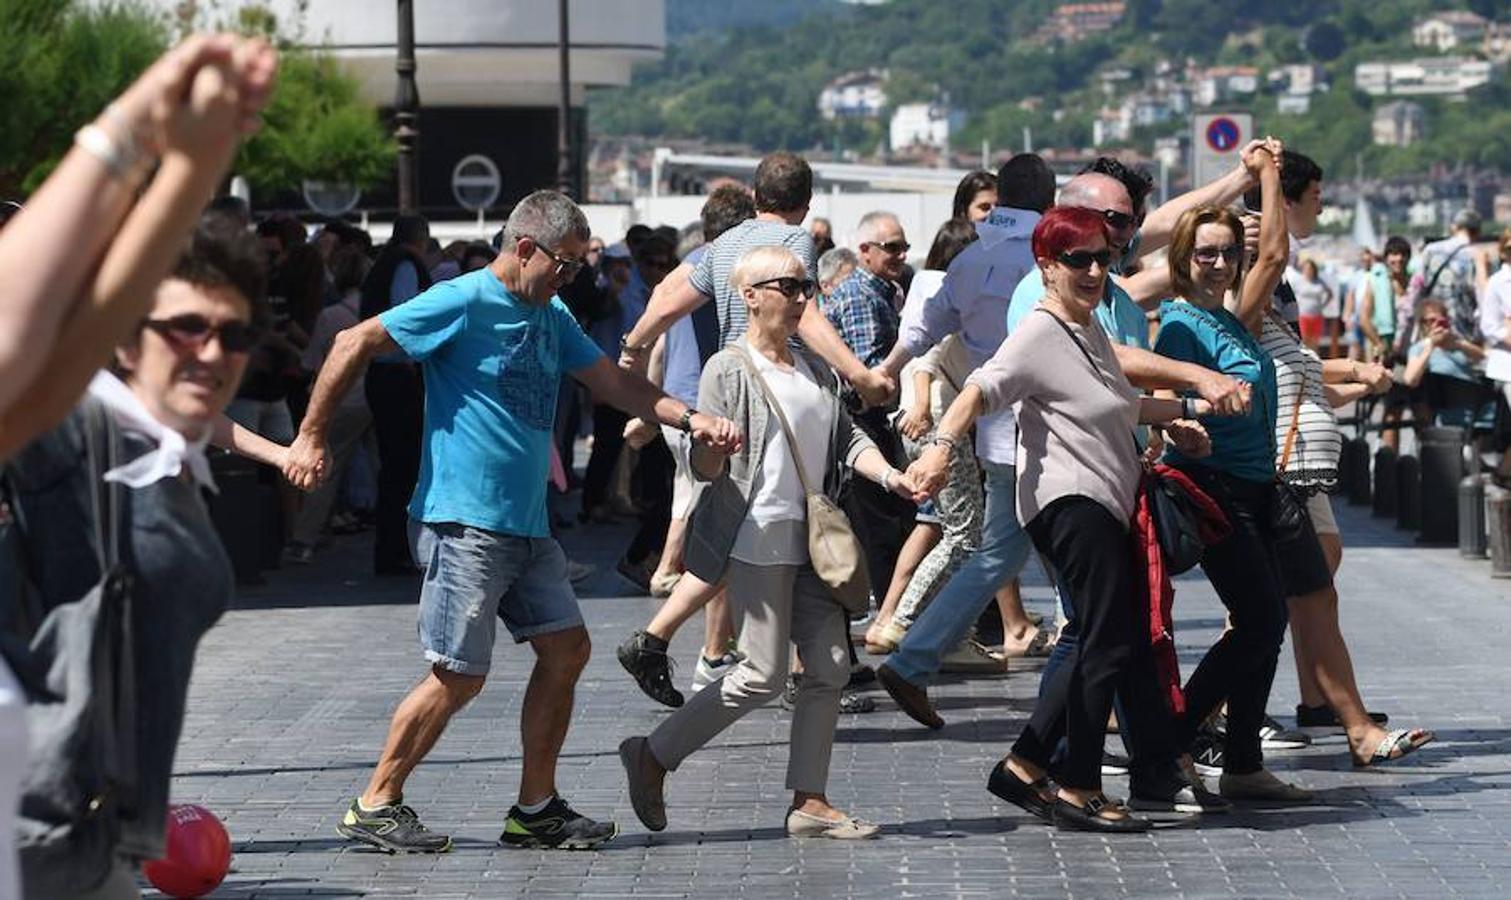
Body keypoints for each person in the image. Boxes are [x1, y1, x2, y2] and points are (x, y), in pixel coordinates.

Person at [284, 190, 739, 854]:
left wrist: (689, 416)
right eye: (567, 263)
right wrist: (311, 437)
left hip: (525, 527)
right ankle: (375, 802)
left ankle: (536, 808)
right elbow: (355, 339)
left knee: (567, 649)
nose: (572, 277)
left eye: (581, 265)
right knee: (459, 673)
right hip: (463, 522)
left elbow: (612, 383)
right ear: (525, 248)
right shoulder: (463, 300)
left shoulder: (550, 313)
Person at [0, 37, 276, 899]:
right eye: (184, 329)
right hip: (30, 830)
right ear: (122, 337)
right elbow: (21, 349)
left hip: (85, 844)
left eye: (233, 336)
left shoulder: (171, 463)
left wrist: (198, 164)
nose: (211, 353)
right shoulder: (67, 432)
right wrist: (140, 139)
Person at [908, 206, 1220, 832]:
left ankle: (1025, 766)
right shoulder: (1043, 328)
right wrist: (940, 449)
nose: (1095, 270)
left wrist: (1178, 415)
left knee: (1101, 638)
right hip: (1068, 502)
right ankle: (1076, 784)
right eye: (1079, 259)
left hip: (1101, 496)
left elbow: (1117, 402)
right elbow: (980, 388)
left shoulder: (1086, 328)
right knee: (1108, 640)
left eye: (1104, 257)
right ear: (1047, 266)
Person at [618, 246, 920, 841]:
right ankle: (653, 754)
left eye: (807, 287)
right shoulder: (727, 369)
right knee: (760, 672)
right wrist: (710, 444)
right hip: (756, 534)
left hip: (812, 538)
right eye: (790, 286)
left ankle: (810, 801)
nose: (804, 297)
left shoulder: (812, 365)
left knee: (831, 665)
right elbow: (706, 468)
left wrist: (891, 475)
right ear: (751, 296)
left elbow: (844, 436)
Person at [1152, 176, 1319, 801]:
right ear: (1183, 260)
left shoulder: (1229, 317)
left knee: (1265, 620)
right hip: (1214, 486)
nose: (1219, 264)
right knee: (1261, 617)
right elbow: (1167, 403)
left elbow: (1272, 253)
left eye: (1228, 253)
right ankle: (1174, 736)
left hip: (1255, 485)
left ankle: (1243, 760)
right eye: (1205, 254)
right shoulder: (1182, 325)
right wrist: (1198, 411)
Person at [1252, 251, 1436, 769]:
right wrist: (1264, 174)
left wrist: (1358, 382)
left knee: (1308, 596)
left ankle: (1337, 716)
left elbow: (1304, 385)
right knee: (1279, 604)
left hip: (1298, 475)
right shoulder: (1239, 314)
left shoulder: (1271, 319)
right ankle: (1211, 722)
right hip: (1276, 476)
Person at [618, 152, 894, 409]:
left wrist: (632, 346)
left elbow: (670, 306)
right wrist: (861, 377)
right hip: (782, 384)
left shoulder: (724, 242)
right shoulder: (795, 240)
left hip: (732, 384)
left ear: (754, 195)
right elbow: (805, 317)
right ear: (807, 202)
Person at [617, 186, 753, 707]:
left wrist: (645, 405)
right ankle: (684, 626)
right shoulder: (723, 264)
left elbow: (657, 331)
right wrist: (644, 398)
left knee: (712, 518)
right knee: (713, 521)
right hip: (709, 411)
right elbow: (654, 328)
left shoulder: (698, 262)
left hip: (693, 407)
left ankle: (706, 644)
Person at [868, 218, 981, 656]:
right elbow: (925, 355)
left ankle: (897, 622)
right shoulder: (941, 290)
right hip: (939, 424)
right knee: (964, 535)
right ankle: (905, 622)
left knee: (936, 525)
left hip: (935, 421)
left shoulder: (930, 287)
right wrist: (918, 406)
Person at [822, 211, 915, 602]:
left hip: (867, 424)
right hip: (866, 424)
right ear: (865, 251)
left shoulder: (881, 289)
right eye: (892, 247)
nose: (901, 255)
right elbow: (871, 376)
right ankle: (889, 614)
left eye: (903, 247)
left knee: (887, 526)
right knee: (885, 529)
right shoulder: (862, 296)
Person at [284, 246, 373, 564]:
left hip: (341, 400)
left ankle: (303, 538)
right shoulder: (379, 311)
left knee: (326, 469)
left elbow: (310, 361)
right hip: (373, 395)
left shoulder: (330, 316)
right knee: (383, 467)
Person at [359, 214, 433, 574]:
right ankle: (393, 550)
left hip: (383, 374)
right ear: (422, 239)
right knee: (400, 467)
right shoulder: (405, 265)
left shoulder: (382, 265)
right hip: (395, 375)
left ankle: (393, 548)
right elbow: (407, 316)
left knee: (396, 466)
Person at [1401, 297, 1487, 426]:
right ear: (1423, 324)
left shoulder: (1457, 343)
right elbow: (1410, 379)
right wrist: (1430, 346)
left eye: (1441, 321)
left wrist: (1459, 345)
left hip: (1478, 407)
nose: (1437, 325)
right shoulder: (1419, 349)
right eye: (1431, 321)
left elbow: (1483, 357)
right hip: (1447, 414)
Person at [1418, 209, 1485, 343]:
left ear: (1454, 228)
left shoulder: (1430, 250)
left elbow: (1417, 288)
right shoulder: (1476, 255)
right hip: (1464, 333)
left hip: (1433, 330)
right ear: (1477, 232)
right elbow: (1482, 297)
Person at [1292, 258, 1331, 349]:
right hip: (1303, 315)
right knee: (1304, 341)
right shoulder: (1298, 281)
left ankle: (1315, 360)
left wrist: (1323, 304)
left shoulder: (1319, 281)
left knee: (1315, 342)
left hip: (1317, 315)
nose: (1308, 271)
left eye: (1310, 269)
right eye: (1306, 269)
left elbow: (1329, 293)